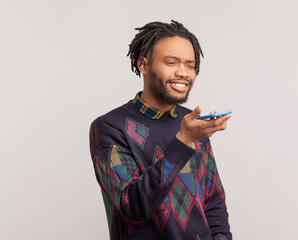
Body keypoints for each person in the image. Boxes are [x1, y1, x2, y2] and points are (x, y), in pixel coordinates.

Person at [89, 20, 232, 240]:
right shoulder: (110, 127)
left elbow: (213, 202)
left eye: (190, 65)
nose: (183, 72)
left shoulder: (191, 122)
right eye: (171, 62)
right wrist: (183, 141)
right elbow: (132, 208)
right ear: (144, 65)